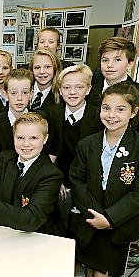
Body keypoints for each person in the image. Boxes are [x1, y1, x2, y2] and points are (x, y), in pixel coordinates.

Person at [68, 82, 139, 277]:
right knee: (89, 273)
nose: (111, 115)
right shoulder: (88, 143)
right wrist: (93, 213)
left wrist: (109, 218)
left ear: (134, 112)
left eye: (120, 109)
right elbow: (77, 179)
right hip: (88, 221)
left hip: (117, 226)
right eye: (106, 108)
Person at [0, 112, 64, 235]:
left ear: (45, 139)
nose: (26, 144)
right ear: (13, 137)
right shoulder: (6, 158)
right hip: (6, 232)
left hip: (40, 237)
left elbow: (32, 219)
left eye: (33, 138)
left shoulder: (52, 174)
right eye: (20, 138)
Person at [43, 65, 103, 197]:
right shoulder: (51, 114)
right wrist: (55, 180)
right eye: (67, 87)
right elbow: (47, 153)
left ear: (88, 90)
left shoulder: (99, 117)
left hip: (87, 182)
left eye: (79, 87)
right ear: (60, 90)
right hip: (57, 178)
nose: (72, 92)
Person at [88, 37, 139, 143]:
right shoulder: (89, 89)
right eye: (105, 60)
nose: (109, 65)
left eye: (117, 60)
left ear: (130, 64)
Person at [0, 68, 33, 151]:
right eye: (13, 93)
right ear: (5, 95)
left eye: (25, 93)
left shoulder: (40, 120)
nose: (19, 98)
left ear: (31, 94)